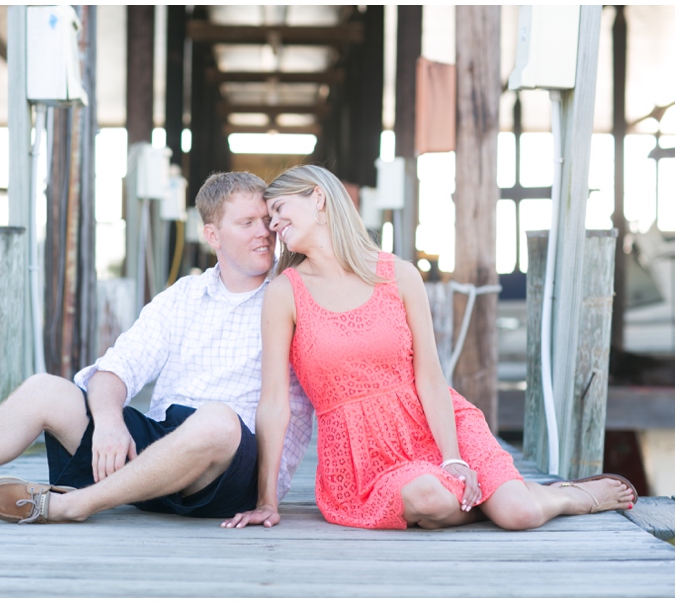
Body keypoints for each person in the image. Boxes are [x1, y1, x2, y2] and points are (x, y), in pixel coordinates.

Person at [0, 171, 313, 526]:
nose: (264, 233)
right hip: (157, 455)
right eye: (247, 223)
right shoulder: (183, 296)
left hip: (229, 471)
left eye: (266, 221)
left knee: (218, 419)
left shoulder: (291, 294)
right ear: (212, 236)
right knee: (45, 389)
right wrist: (108, 421)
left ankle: (73, 504)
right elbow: (115, 370)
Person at [222, 164, 637, 531]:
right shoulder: (285, 293)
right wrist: (266, 500)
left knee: (519, 516)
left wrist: (453, 458)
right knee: (428, 497)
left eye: (278, 210)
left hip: (436, 425)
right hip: (362, 457)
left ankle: (561, 496)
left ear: (318, 199)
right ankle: (501, 495)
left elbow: (431, 378)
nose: (272, 225)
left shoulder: (398, 275)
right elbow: (275, 402)